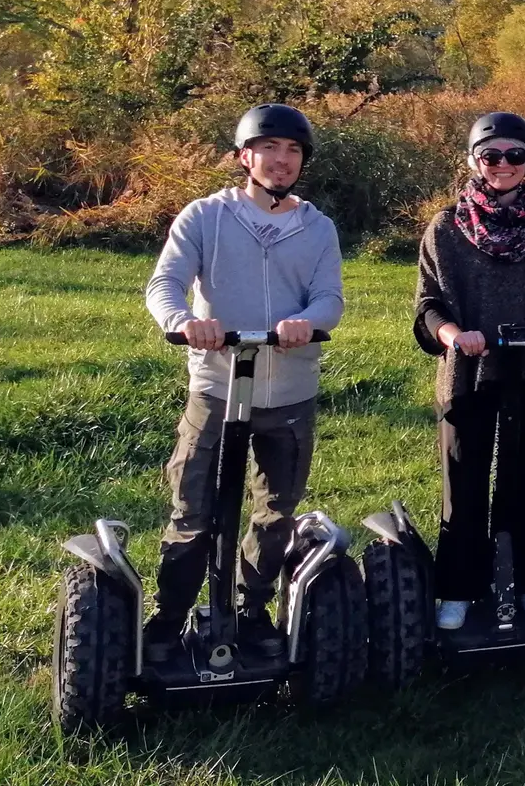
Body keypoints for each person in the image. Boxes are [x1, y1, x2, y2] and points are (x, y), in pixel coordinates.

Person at [142, 103, 345, 663]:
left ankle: (251, 611)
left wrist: (311, 321)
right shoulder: (205, 217)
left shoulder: (317, 227)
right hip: (215, 385)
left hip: (288, 391)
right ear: (244, 156)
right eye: (270, 148)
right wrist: (183, 322)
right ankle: (170, 617)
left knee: (275, 509)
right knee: (193, 509)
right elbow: (165, 283)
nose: (281, 160)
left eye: (293, 151)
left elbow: (330, 297)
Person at [414, 112, 525, 630]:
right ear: (474, 161)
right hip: (470, 372)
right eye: (491, 155)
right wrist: (453, 336)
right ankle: (458, 588)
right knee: (464, 479)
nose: (503, 164)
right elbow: (429, 304)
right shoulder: (447, 226)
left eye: (515, 155)